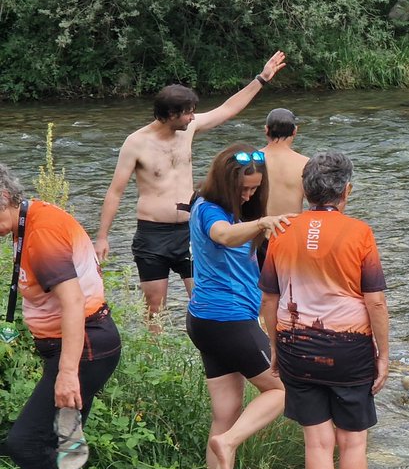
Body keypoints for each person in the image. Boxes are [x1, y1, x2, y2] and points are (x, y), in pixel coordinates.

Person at [92, 51, 287, 330]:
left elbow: (227, 109)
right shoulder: (135, 143)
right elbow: (115, 192)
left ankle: (210, 349)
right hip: (152, 233)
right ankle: (154, 358)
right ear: (171, 114)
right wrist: (102, 237)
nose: (193, 117)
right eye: (188, 113)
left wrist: (261, 79)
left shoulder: (189, 129)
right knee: (155, 307)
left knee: (203, 296)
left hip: (189, 230)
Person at [260, 152, 389, 469]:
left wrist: (275, 346)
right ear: (346, 190)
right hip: (349, 350)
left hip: (297, 345)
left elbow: (269, 300)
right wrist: (383, 354)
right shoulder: (359, 233)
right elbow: (376, 302)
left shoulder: (281, 230)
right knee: (352, 444)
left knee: (316, 443)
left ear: (305, 191)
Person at [1, 165, 118, 469]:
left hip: (84, 348)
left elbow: (71, 304)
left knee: (26, 443)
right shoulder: (30, 218)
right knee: (63, 439)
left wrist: (67, 372)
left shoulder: (41, 233)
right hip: (78, 345)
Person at [186, 143, 293, 469]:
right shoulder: (211, 210)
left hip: (206, 321)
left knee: (225, 412)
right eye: (244, 189)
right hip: (229, 321)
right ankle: (229, 443)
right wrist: (264, 223)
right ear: (226, 181)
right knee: (282, 389)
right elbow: (226, 236)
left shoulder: (226, 206)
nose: (249, 195)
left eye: (254, 189)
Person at [262, 107, 310, 217]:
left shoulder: (252, 159)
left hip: (256, 229)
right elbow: (317, 204)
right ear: (295, 131)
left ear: (266, 129)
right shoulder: (306, 164)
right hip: (290, 229)